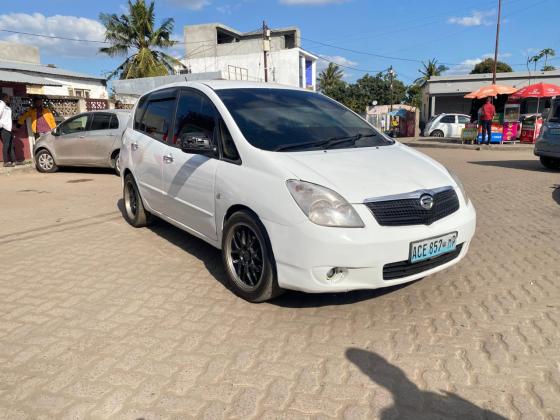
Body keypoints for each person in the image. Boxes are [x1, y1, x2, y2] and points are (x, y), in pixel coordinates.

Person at [0, 93, 16, 167]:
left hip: (8, 128)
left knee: (11, 145)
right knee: (6, 145)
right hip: (4, 128)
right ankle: (5, 162)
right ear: (5, 98)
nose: (9, 99)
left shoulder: (5, 106)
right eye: (8, 98)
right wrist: (2, 126)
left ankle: (14, 160)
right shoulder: (1, 105)